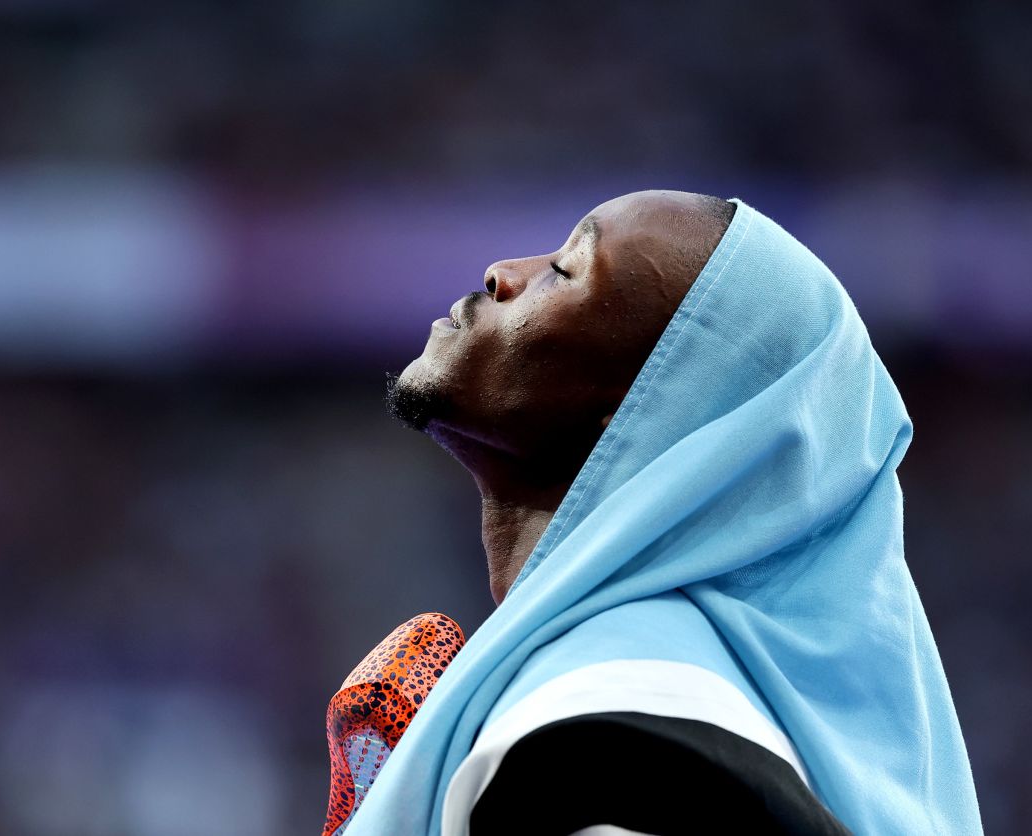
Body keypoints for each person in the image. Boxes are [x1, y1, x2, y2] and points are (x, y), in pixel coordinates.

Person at [348, 191, 981, 834]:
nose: (502, 272)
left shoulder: (615, 716)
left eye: (565, 271)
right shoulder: (632, 698)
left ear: (651, 402)